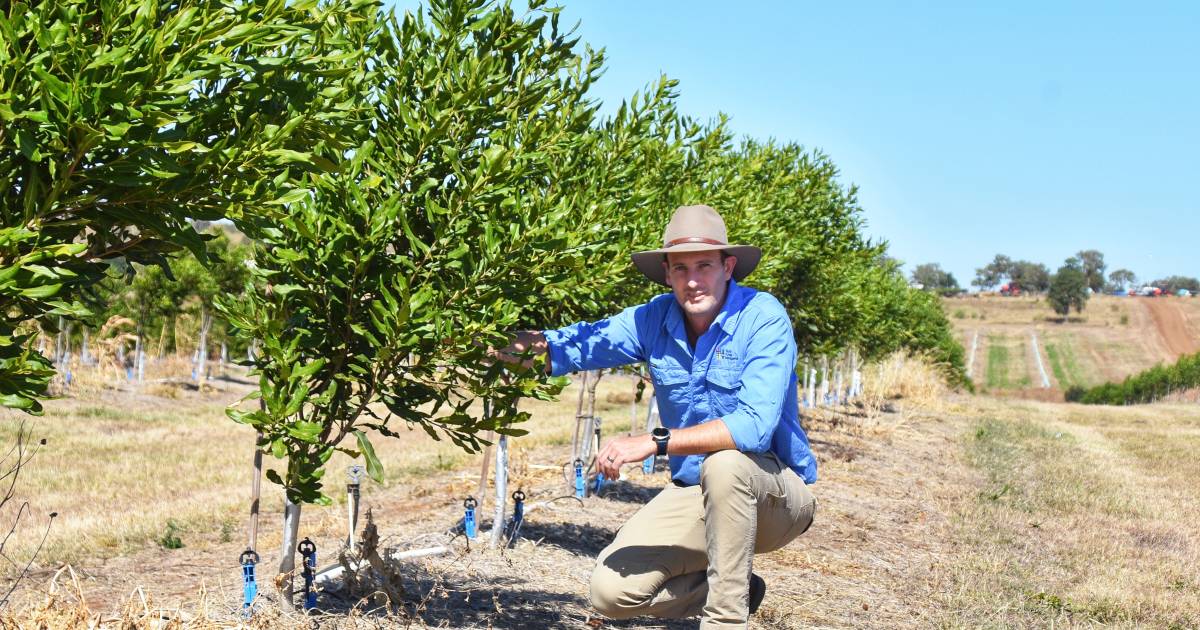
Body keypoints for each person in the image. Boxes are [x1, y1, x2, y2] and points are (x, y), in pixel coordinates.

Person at [498, 204, 817, 628]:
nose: (693, 279)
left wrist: (656, 441)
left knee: (726, 465)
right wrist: (479, 342)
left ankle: (725, 621)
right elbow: (575, 345)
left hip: (775, 493)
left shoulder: (762, 318)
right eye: (681, 268)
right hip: (696, 491)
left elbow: (754, 428)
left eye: (704, 265)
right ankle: (736, 586)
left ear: (729, 266)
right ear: (667, 273)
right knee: (610, 593)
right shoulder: (652, 318)